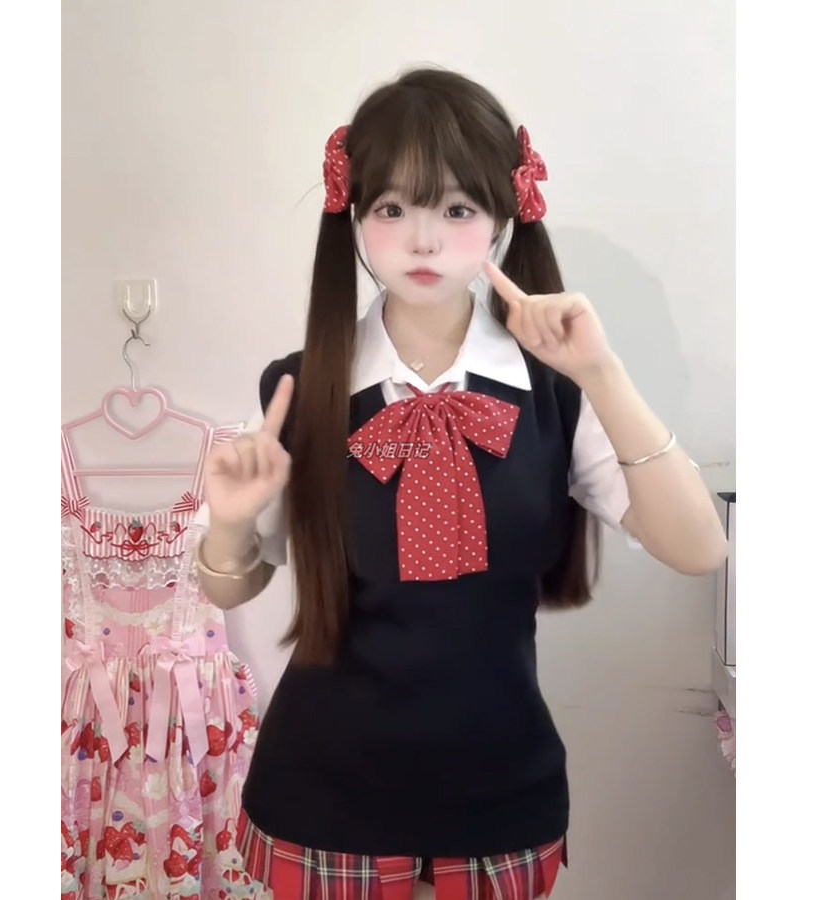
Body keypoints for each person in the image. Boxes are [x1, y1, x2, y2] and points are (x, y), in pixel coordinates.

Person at [191, 66, 729, 900]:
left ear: (504, 218)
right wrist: (230, 523)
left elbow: (700, 549)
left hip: (501, 799)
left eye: (456, 210)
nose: (424, 241)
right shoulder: (300, 388)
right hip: (318, 796)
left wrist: (601, 372)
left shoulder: (554, 390)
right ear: (354, 218)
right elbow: (233, 585)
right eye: (392, 209)